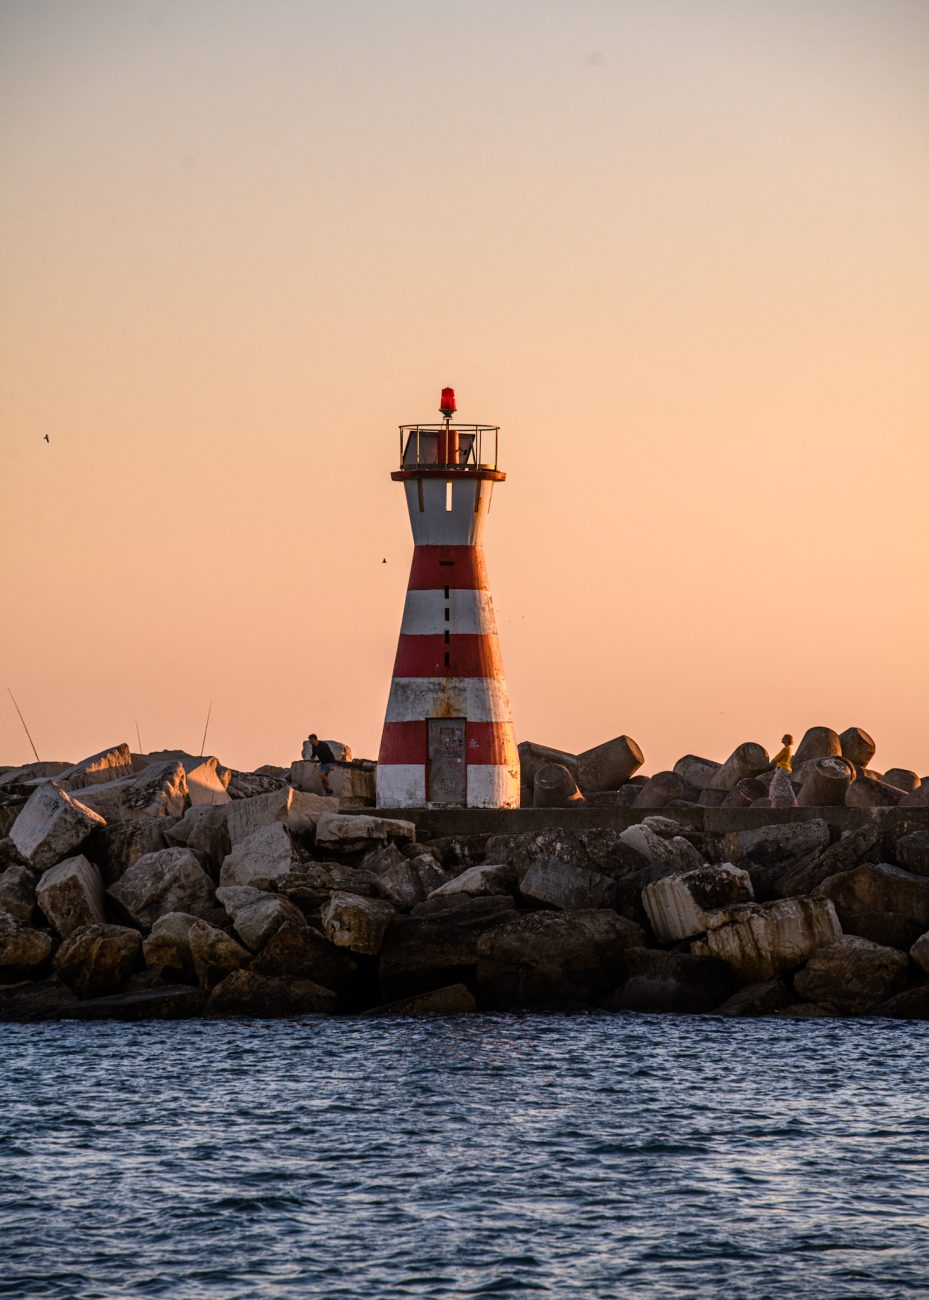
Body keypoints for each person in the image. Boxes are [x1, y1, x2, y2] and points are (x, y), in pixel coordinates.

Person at [769, 733, 797, 808]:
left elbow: (777, 758)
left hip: (781, 770)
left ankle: (773, 804)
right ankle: (794, 802)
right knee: (788, 786)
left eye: (783, 738)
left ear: (786, 740)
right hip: (787, 770)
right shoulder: (790, 750)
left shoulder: (785, 749)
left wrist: (776, 760)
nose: (782, 739)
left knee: (774, 785)